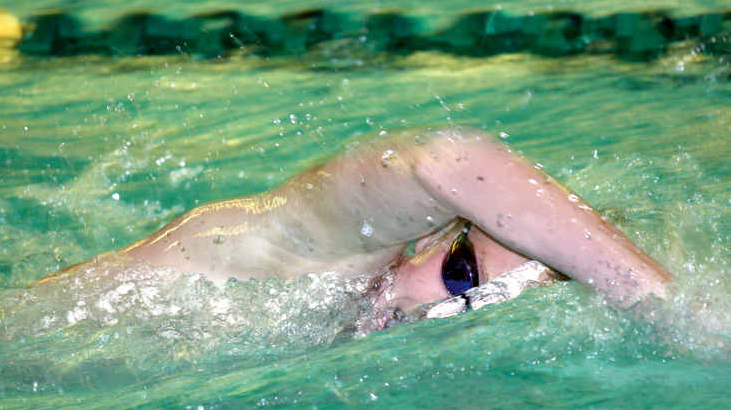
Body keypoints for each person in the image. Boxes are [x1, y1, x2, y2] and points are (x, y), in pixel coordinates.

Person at [37, 125, 673, 328]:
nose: (438, 315)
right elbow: (448, 157)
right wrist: (664, 302)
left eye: (475, 314)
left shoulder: (341, 326)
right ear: (430, 236)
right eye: (459, 276)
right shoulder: (316, 254)